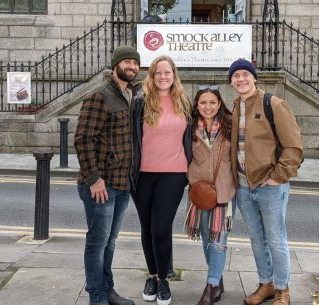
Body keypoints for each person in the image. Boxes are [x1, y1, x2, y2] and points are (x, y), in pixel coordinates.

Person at [228, 58, 304, 305]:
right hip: (243, 185)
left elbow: (293, 146)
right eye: (235, 76)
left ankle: (283, 289)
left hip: (269, 186)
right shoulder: (236, 105)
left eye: (244, 74)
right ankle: (266, 284)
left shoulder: (274, 104)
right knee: (256, 239)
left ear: (254, 77)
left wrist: (277, 177)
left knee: (276, 239)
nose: (240, 79)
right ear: (231, 81)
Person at [75, 45, 141, 305]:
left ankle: (108, 289)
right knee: (97, 241)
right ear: (115, 65)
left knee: (110, 242)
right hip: (101, 185)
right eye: (127, 62)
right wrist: (94, 179)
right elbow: (83, 139)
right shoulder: (100, 96)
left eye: (135, 63)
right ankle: (97, 297)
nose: (132, 67)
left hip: (122, 183)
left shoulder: (132, 94)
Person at [130, 55, 192, 305]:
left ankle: (165, 279)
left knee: (161, 228)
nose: (163, 77)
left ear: (174, 75)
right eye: (158, 73)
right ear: (152, 76)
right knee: (147, 227)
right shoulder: (140, 101)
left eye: (167, 73)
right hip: (142, 175)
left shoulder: (184, 102)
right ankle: (153, 276)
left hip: (174, 174)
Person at [185, 85, 237, 305]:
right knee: (207, 239)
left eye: (212, 102)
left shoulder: (230, 125)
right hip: (199, 191)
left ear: (219, 104)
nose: (208, 107)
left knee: (218, 240)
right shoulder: (188, 128)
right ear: (197, 105)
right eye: (203, 102)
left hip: (223, 191)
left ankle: (210, 286)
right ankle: (217, 279)